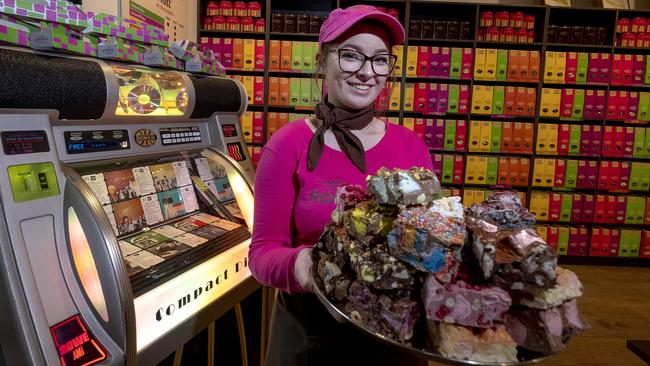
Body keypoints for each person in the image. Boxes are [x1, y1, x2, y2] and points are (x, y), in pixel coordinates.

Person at [249, 5, 433, 366]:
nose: (366, 72)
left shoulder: (411, 146)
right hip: (310, 334)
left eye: (380, 60)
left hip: (394, 336)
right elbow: (262, 254)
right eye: (350, 56)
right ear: (322, 62)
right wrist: (304, 265)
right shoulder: (288, 145)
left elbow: (426, 241)